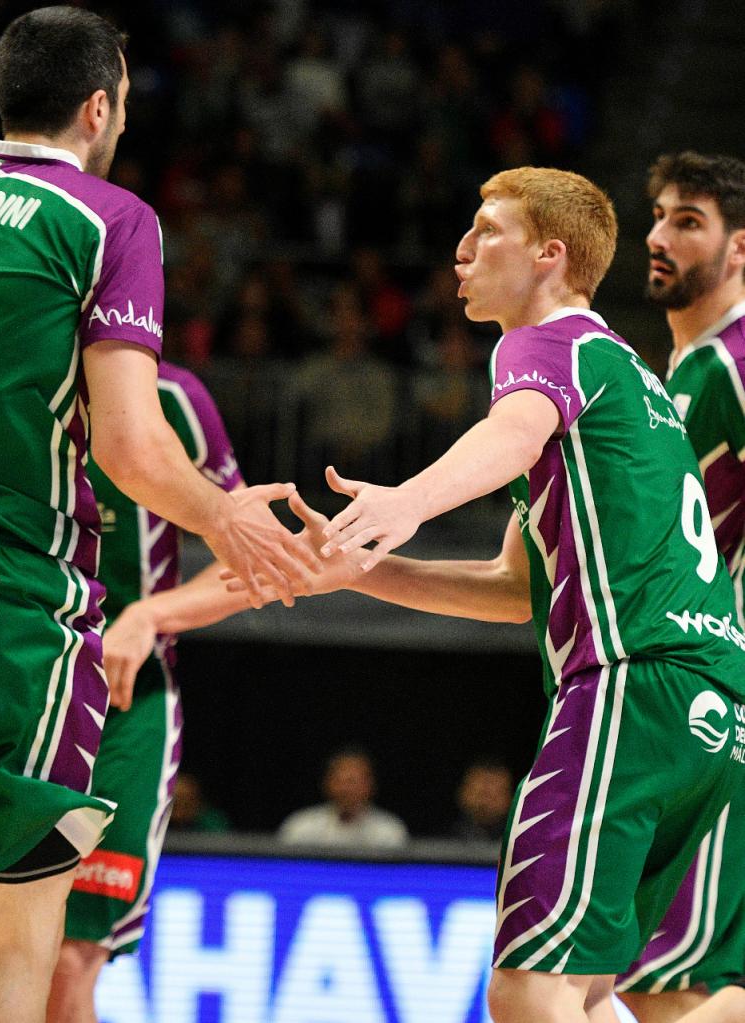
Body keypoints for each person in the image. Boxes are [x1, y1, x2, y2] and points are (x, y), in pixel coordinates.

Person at [303, 166, 745, 1022]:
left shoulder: (547, 345)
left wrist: (404, 501)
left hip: (631, 683)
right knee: (617, 992)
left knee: (526, 984)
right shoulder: (633, 379)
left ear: (549, 255)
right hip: (711, 709)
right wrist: (363, 568)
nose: (461, 251)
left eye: (486, 230)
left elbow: (507, 434)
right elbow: (516, 588)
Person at [0, 8, 313, 1021]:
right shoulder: (107, 220)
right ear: (99, 107)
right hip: (19, 606)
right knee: (13, 965)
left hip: (99, 653)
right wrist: (229, 520)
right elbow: (127, 450)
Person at [46, 361, 248, 1023]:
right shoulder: (6, 373)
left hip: (125, 707)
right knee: (6, 946)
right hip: (15, 687)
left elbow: (255, 560)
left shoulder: (171, 399)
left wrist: (148, 615)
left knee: (69, 960)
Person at [613, 152, 745, 1023]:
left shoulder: (729, 365)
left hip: (715, 704)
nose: (658, 236)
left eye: (687, 221)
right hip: (685, 705)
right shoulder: (677, 377)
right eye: (658, 216)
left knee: (677, 981)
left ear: (739, 247)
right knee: (653, 981)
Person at [277, 747, 408, 848]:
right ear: (327, 783)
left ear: (370, 785)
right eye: (340, 780)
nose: (347, 789)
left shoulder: (389, 831)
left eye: (353, 781)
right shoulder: (301, 826)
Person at [451, 759, 513, 849]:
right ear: (462, 793)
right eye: (482, 794)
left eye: (496, 795)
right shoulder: (437, 838)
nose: (487, 803)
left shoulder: (521, 844)